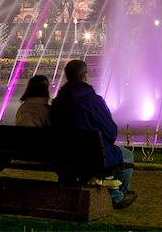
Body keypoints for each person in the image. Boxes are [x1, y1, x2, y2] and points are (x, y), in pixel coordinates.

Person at [50, 59, 137, 210]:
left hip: (63, 155)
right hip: (92, 156)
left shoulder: (58, 101)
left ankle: (111, 193)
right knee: (127, 156)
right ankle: (116, 196)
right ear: (85, 76)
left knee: (91, 156)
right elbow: (111, 132)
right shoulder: (93, 101)